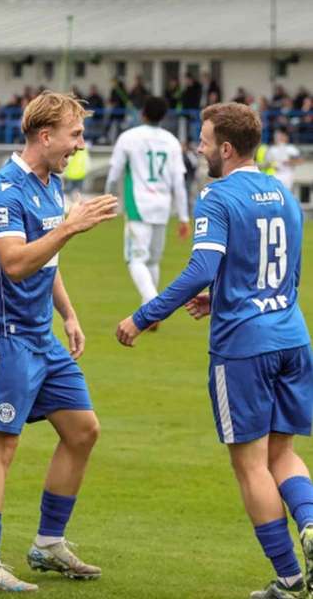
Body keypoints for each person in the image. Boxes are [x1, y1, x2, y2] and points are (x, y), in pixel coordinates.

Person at [116, 102, 313, 599]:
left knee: (250, 463)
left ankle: (290, 579)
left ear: (225, 148)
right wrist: (226, 294)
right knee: (283, 452)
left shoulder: (219, 195)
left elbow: (202, 266)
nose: (199, 149)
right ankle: (312, 525)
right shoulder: (285, 194)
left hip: (244, 346)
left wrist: (144, 315)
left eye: (203, 141)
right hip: (292, 334)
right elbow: (284, 272)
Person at [0, 91, 118, 591]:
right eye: (75, 134)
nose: (81, 144)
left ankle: (48, 544)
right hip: (6, 338)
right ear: (44, 134)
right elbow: (14, 261)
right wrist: (71, 227)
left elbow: (45, 262)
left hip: (43, 336)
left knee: (83, 430)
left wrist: (69, 313)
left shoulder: (50, 185)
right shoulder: (4, 192)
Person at [105, 96, 189, 310]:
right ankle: (149, 309)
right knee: (152, 260)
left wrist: (107, 198)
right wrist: (184, 216)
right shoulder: (171, 140)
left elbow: (114, 173)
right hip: (163, 205)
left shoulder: (129, 137)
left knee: (136, 259)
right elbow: (179, 181)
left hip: (138, 205)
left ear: (143, 114)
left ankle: (152, 300)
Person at [265, 127, 303, 192]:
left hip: (287, 174)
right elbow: (267, 162)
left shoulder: (291, 148)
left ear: (285, 137)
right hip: (276, 173)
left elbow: (300, 161)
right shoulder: (272, 149)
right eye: (276, 136)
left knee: (285, 193)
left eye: (280, 136)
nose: (278, 138)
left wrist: (289, 162)